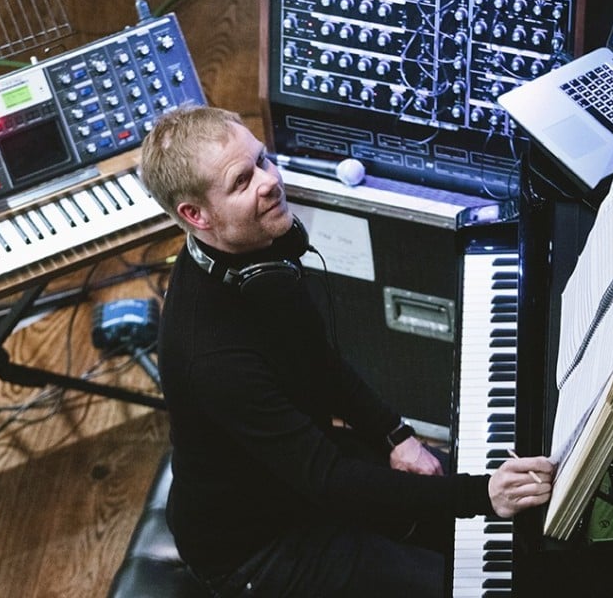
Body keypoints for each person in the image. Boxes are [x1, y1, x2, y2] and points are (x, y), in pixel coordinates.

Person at [138, 104, 553, 598]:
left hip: (302, 477)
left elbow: (320, 362)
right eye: (241, 181)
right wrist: (483, 494)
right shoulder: (209, 357)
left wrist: (396, 434)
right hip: (260, 548)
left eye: (264, 161)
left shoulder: (257, 255)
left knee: (503, 535)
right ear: (195, 215)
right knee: (453, 583)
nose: (270, 181)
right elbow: (329, 480)